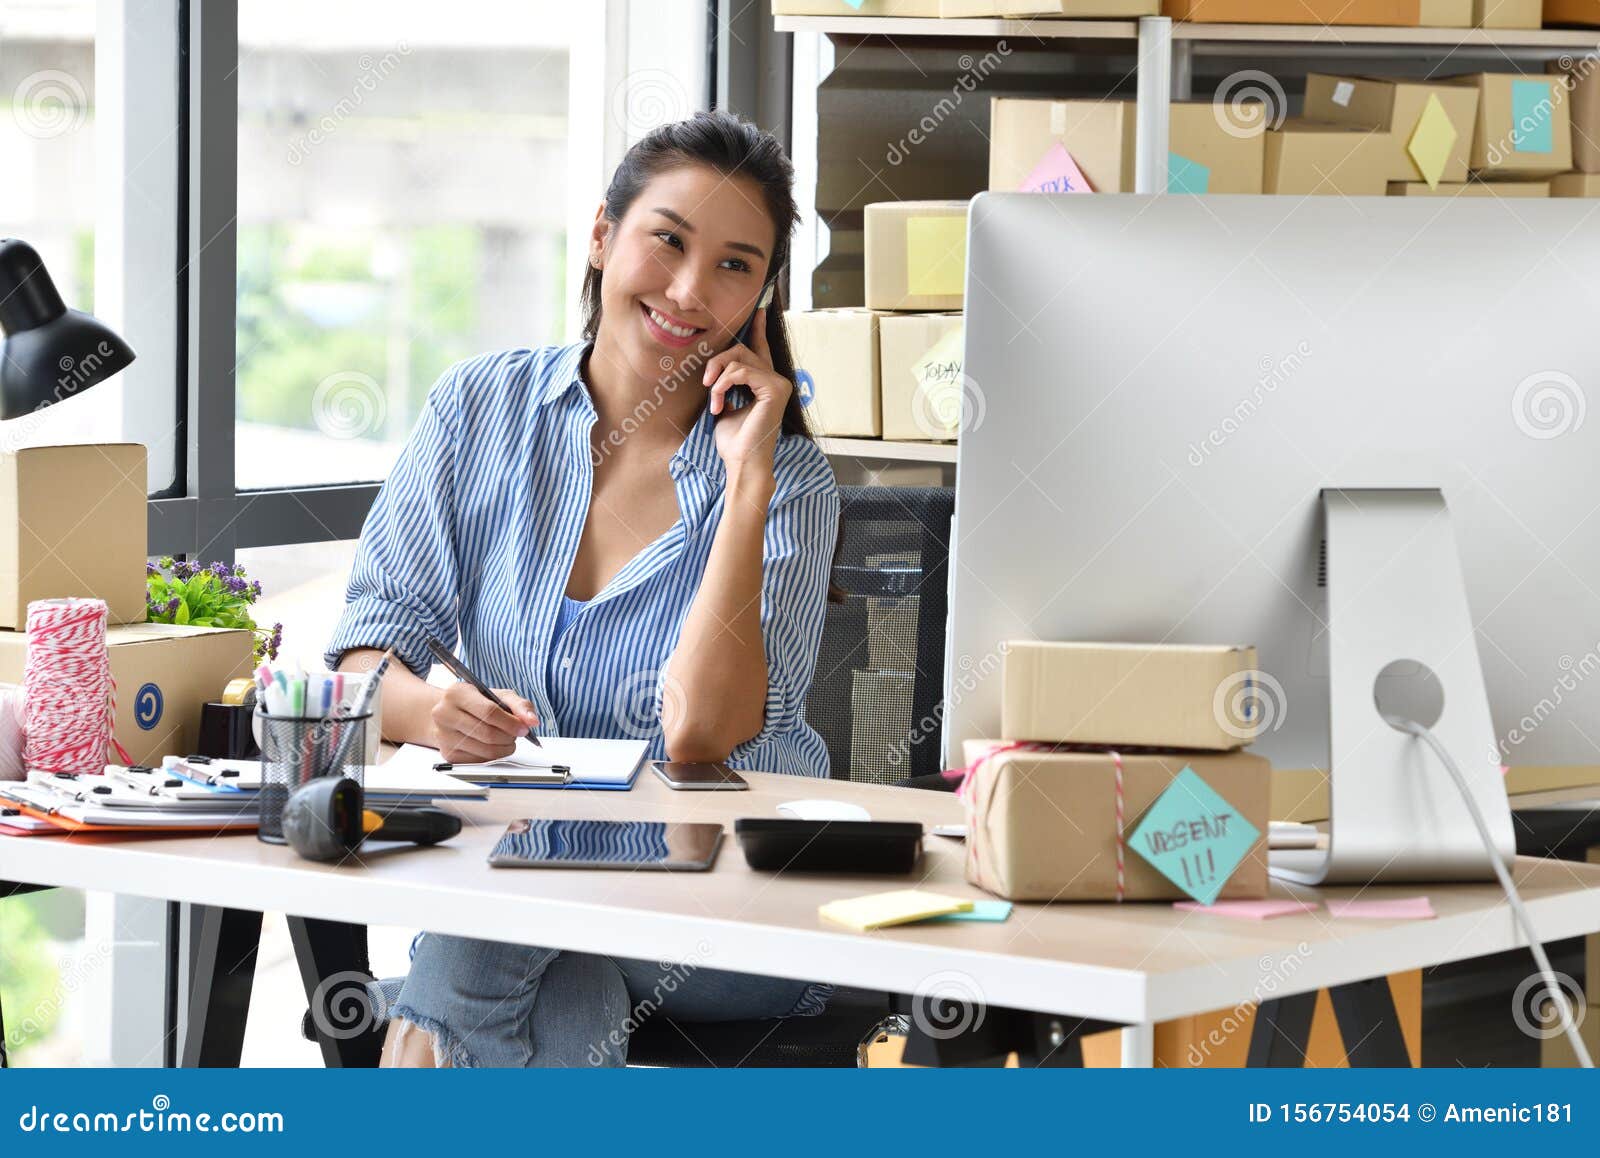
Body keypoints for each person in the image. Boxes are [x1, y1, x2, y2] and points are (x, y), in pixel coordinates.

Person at [323, 110, 840, 1067]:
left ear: (761, 299)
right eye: (668, 241)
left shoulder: (788, 485)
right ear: (604, 236)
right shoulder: (480, 409)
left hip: (737, 901)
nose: (689, 291)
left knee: (490, 920)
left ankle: (420, 1028)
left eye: (734, 265)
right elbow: (370, 646)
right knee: (561, 976)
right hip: (536, 886)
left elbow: (702, 734)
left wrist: (745, 486)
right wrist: (439, 714)